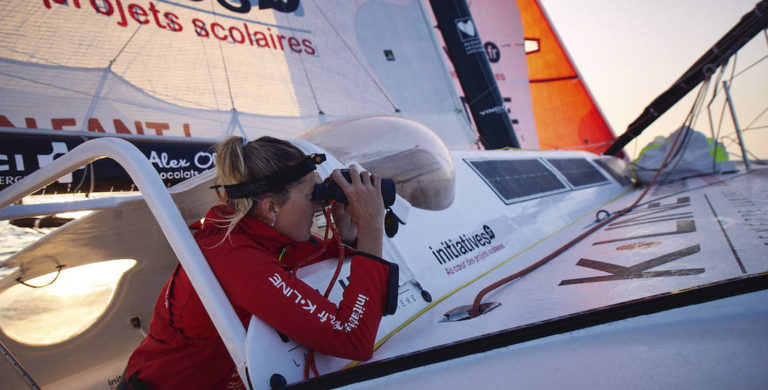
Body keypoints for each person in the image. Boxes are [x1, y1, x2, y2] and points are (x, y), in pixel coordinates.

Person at [119, 136, 398, 389]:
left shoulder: (266, 236)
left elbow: (341, 272)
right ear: (271, 207)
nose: (321, 204)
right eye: (313, 195)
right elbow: (352, 338)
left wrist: (350, 234)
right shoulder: (236, 258)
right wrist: (372, 225)